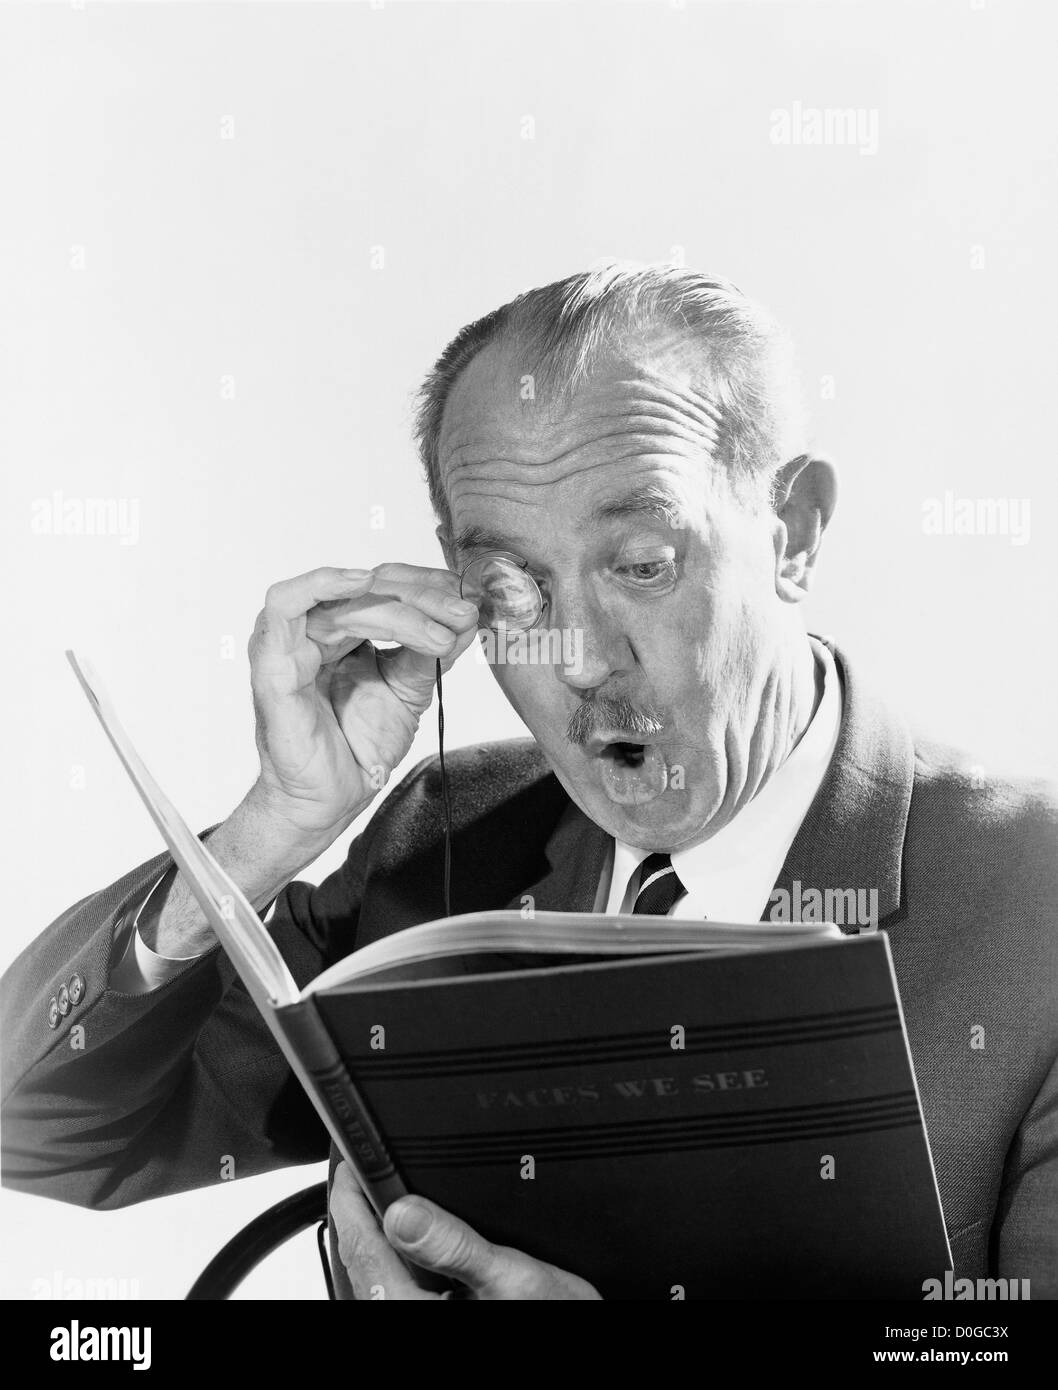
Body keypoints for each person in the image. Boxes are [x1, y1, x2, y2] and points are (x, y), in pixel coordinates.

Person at [3, 263, 1055, 1300]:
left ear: (793, 531)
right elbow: (37, 1130)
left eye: (640, 564)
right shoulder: (438, 844)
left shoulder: (1034, 904)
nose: (579, 658)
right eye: (511, 587)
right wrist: (272, 827)